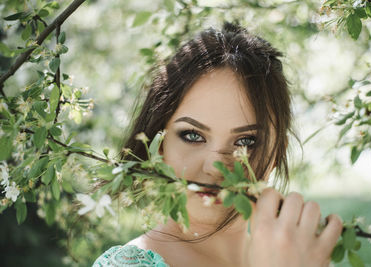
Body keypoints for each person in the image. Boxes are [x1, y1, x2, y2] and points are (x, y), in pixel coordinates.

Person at [93, 22, 343, 267]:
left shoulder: (306, 254)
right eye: (192, 136)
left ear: (277, 152)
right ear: (159, 143)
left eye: (246, 141)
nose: (215, 167)